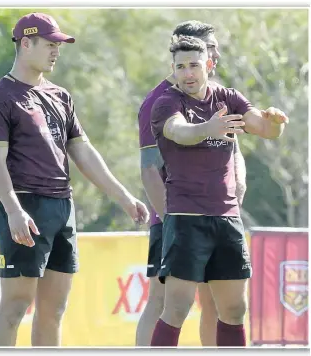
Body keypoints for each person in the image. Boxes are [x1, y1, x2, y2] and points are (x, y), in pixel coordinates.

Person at [0, 12, 149, 347]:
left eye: (59, 44)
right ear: (26, 44)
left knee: (53, 311)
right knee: (14, 307)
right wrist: (13, 210)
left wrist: (125, 197)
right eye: (50, 44)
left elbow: (84, 154)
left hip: (62, 208)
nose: (56, 51)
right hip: (25, 206)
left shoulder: (61, 96)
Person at [150, 35, 288, 347]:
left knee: (235, 309)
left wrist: (276, 122)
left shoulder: (228, 98)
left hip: (227, 218)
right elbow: (177, 132)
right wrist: (207, 129)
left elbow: (264, 128)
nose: (187, 73)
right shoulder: (166, 103)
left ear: (209, 65)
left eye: (194, 66)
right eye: (180, 66)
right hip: (186, 218)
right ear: (172, 69)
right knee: (176, 308)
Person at [136, 21, 246, 347]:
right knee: (163, 301)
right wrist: (171, 220)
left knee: (218, 303)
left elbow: (233, 148)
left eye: (213, 48)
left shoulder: (216, 94)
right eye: (209, 45)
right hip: (175, 217)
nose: (216, 52)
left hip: (217, 215)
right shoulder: (158, 100)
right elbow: (149, 168)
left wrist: (236, 190)